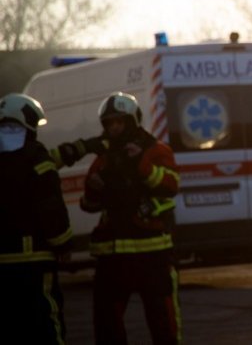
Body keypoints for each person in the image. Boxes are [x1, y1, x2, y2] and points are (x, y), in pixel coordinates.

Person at [80, 91, 181, 345]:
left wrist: (141, 163)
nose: (114, 128)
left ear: (133, 121)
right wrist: (93, 188)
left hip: (152, 253)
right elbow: (88, 204)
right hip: (112, 255)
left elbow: (170, 185)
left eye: (119, 121)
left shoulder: (155, 150)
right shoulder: (104, 157)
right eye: (109, 123)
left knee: (163, 320)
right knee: (107, 323)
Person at [0, 93, 73, 344]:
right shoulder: (36, 157)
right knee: (45, 322)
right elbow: (49, 206)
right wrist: (63, 243)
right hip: (34, 260)